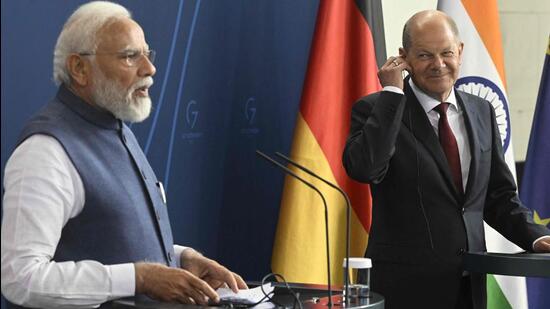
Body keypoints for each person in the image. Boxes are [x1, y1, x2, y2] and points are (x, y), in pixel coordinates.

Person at [0, 1, 247, 308]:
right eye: (130, 56)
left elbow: (112, 243)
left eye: (147, 53)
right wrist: (139, 278)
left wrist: (181, 258)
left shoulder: (115, 127)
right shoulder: (45, 151)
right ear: (79, 68)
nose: (150, 68)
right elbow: (20, 278)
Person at [342, 10, 550, 309]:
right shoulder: (376, 109)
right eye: (425, 55)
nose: (439, 65)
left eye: (447, 53)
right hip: (405, 290)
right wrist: (391, 92)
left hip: (470, 285)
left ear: (461, 51)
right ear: (404, 58)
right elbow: (364, 168)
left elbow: (498, 197)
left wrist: (536, 237)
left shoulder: (482, 111)